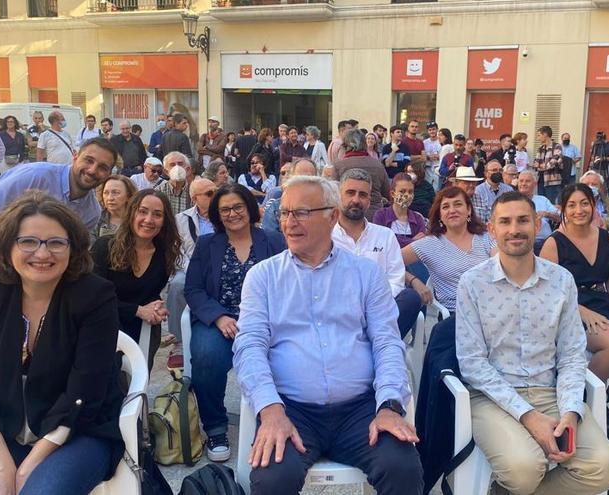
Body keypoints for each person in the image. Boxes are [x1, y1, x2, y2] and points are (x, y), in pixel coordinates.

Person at [233, 175, 423, 494]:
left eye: (302, 212)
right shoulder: (263, 277)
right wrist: (270, 409)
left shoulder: (365, 274)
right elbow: (249, 347)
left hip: (360, 408)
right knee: (272, 479)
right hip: (292, 408)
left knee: (402, 467)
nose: (289, 223)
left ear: (331, 216)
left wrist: (389, 404)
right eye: (284, 213)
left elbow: (388, 343)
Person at [0, 192, 126, 495]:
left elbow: (87, 388)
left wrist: (28, 466)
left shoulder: (95, 295)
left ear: (72, 248)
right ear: (7, 246)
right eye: (28, 241)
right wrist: (2, 466)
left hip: (76, 431)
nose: (42, 254)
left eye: (56, 242)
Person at [456, 191, 609, 495]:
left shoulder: (561, 281)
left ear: (537, 224)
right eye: (504, 222)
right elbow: (472, 363)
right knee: (524, 469)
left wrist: (571, 411)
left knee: (605, 466)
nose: (514, 229)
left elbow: (572, 355)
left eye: (523, 220)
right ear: (492, 229)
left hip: (550, 391)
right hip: (492, 397)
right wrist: (529, 416)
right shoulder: (472, 282)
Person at [183, 184, 285, 461]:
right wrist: (218, 317)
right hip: (220, 318)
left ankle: (276, 416)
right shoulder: (207, 245)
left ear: (250, 209)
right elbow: (192, 289)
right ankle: (216, 427)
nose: (232, 214)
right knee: (205, 355)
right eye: (224, 209)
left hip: (265, 320)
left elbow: (289, 283)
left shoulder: (274, 241)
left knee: (289, 353)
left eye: (238, 207)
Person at [0, 137, 118, 288]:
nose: (92, 170)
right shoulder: (35, 175)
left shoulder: (91, 212)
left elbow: (69, 248)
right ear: (75, 156)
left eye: (102, 167)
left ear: (109, 174)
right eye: (88, 160)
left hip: (25, 264)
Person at [540, 184, 609, 402]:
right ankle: (581, 399)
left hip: (602, 303)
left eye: (584, 203)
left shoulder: (607, 238)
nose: (579, 210)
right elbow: (550, 294)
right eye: (572, 205)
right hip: (569, 310)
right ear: (563, 210)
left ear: (593, 206)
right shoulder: (554, 243)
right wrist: (582, 312)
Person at [92, 189, 181, 371]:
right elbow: (93, 299)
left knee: (136, 382)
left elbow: (150, 293)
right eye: (142, 211)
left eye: (157, 214)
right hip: (102, 323)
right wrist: (137, 310)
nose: (149, 220)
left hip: (142, 326)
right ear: (132, 213)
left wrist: (157, 307)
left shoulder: (164, 253)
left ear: (164, 221)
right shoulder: (104, 247)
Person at [332, 168, 422, 339]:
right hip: (337, 314)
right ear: (338, 196)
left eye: (363, 195)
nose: (356, 200)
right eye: (350, 193)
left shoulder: (384, 236)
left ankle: (372, 345)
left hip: (379, 311)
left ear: (369, 200)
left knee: (410, 298)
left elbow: (396, 279)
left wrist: (371, 303)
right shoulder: (325, 237)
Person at [401, 186, 495, 316]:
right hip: (456, 315)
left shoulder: (486, 237)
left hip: (493, 310)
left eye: (458, 204)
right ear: (440, 215)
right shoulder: (429, 244)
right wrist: (413, 281)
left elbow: (502, 265)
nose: (452, 210)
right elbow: (387, 262)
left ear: (468, 210)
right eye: (445, 207)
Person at [166, 178, 218, 370]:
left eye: (216, 191)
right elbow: (176, 251)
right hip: (188, 268)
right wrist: (194, 270)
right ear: (195, 198)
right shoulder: (181, 219)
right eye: (210, 193)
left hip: (217, 268)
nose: (216, 196)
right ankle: (178, 342)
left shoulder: (223, 216)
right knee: (178, 285)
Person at [334, 129, 391, 220]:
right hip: (374, 215)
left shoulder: (339, 166)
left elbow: (333, 195)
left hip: (348, 214)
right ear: (364, 144)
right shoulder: (377, 165)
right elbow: (387, 191)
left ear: (345, 145)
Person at [262, 158, 317, 233]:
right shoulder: (275, 208)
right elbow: (270, 239)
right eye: (300, 177)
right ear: (291, 179)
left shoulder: (324, 208)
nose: (305, 182)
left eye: (309, 178)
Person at [373, 172, 428, 248]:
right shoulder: (381, 215)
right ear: (393, 193)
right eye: (402, 191)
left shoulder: (418, 218)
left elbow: (422, 246)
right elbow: (380, 242)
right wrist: (412, 241)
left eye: (410, 192)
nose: (407, 195)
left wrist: (394, 241)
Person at [517, 169, 559, 254]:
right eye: (521, 181)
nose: (523, 184)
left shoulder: (543, 200)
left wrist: (547, 214)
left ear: (535, 184)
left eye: (527, 181)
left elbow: (560, 218)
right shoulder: (512, 201)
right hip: (521, 242)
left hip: (544, 242)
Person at [91, 174, 137, 242]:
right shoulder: (95, 220)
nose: (110, 198)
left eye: (116, 193)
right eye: (106, 193)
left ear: (129, 196)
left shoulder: (138, 220)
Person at [423, 122, 442, 189]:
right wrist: (428, 157)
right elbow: (423, 155)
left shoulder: (441, 141)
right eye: (430, 130)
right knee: (427, 187)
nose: (432, 131)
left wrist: (439, 156)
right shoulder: (424, 142)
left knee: (437, 188)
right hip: (428, 169)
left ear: (437, 129)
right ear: (428, 131)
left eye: (433, 129)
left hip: (438, 168)